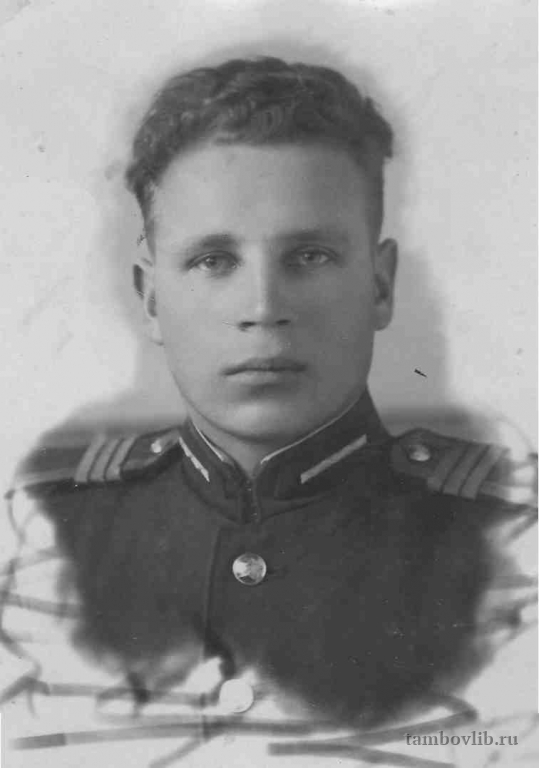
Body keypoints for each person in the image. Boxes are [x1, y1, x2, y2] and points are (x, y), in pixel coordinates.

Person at [1, 57, 536, 767]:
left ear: (379, 286)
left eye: (309, 256)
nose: (262, 308)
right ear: (151, 297)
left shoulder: (514, 538)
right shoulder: (39, 541)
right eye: (212, 260)